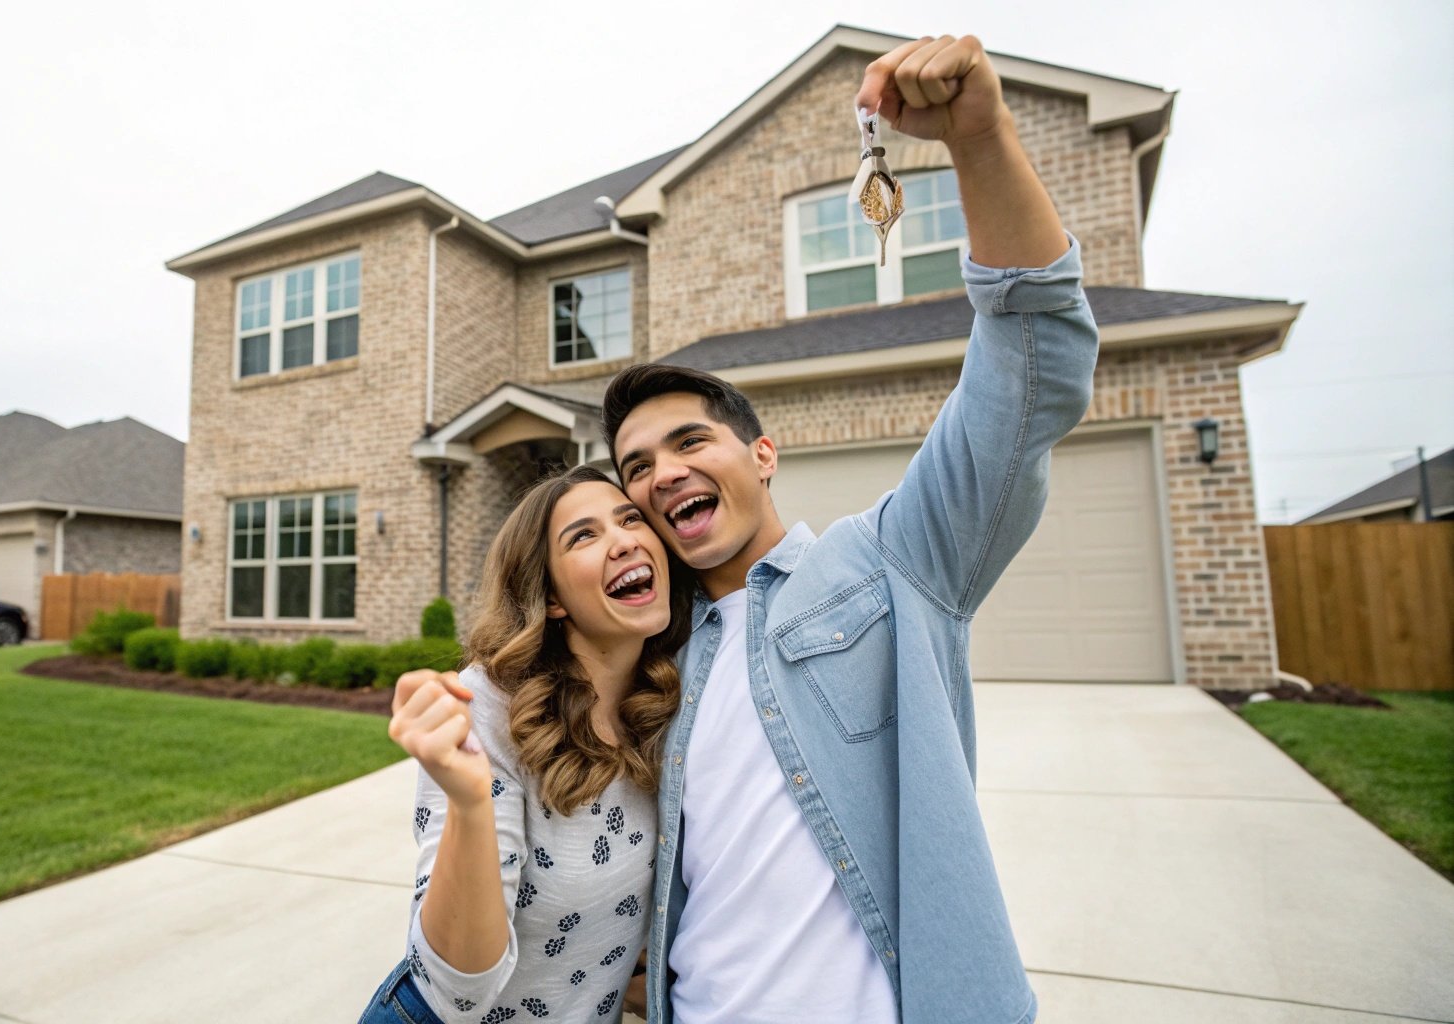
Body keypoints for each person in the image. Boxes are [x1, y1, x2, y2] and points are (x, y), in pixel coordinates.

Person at [601, 35, 1099, 1024]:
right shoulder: (653, 662)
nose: (662, 474)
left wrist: (978, 139)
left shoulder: (893, 564)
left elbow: (1032, 362)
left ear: (762, 455)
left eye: (688, 441)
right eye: (635, 467)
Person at [358, 465, 691, 1024]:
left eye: (630, 518)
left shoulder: (671, 698)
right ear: (552, 597)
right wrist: (470, 803)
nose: (624, 540)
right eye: (584, 535)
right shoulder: (488, 706)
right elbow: (457, 992)